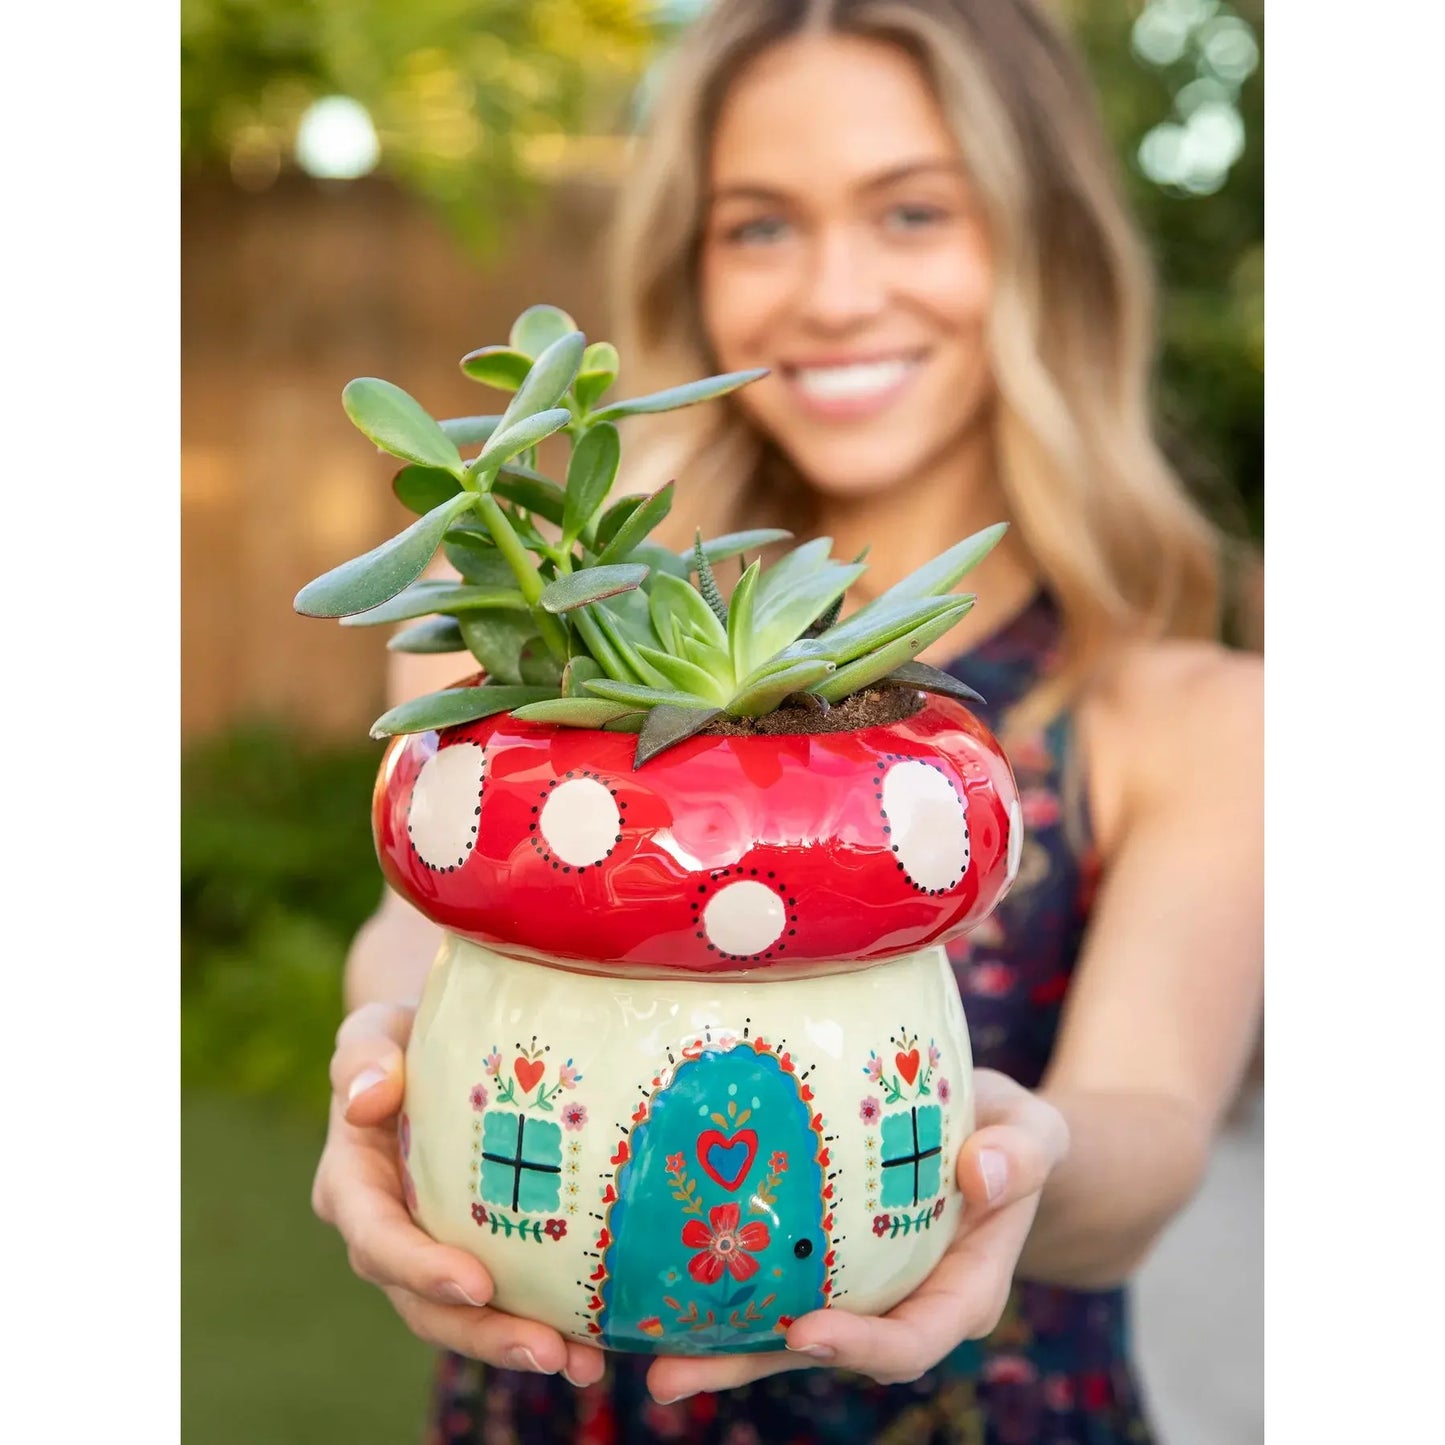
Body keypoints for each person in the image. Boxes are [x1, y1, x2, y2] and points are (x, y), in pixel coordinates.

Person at [310, 1, 1264, 1440]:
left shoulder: (1184, 712)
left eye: (911, 211)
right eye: (758, 225)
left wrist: (1009, 1165)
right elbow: (422, 925)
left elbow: (1146, 1130)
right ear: (690, 263)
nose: (829, 294)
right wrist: (383, 1068)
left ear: (1041, 245)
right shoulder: (526, 623)